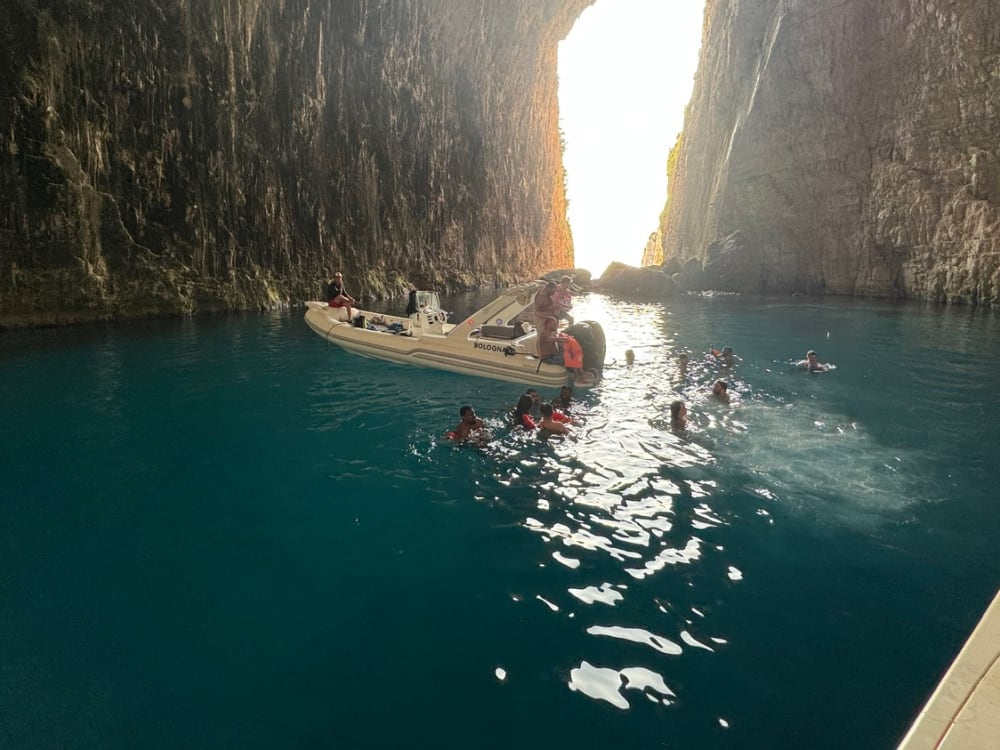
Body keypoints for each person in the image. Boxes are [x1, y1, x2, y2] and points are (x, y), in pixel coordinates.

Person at [533, 282, 557, 356]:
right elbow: (538, 309)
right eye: (554, 290)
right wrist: (550, 308)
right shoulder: (541, 296)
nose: (554, 292)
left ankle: (549, 352)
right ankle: (540, 354)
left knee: (551, 334)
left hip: (548, 318)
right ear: (550, 289)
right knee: (541, 335)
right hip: (540, 318)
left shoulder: (548, 295)